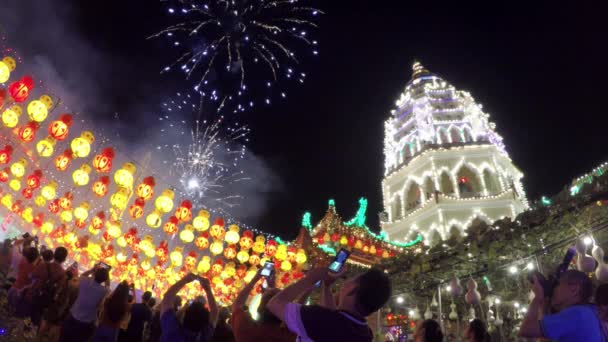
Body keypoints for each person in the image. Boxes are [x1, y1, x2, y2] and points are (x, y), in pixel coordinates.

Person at [267, 267, 392, 342]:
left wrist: (310, 279)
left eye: (351, 280)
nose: (345, 284)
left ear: (353, 289)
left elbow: (274, 303)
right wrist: (326, 286)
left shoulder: (319, 318)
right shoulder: (365, 333)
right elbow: (334, 319)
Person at [519, 269, 603, 341]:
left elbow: (526, 329)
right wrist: (544, 301)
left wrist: (537, 298)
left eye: (557, 284)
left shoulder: (576, 314)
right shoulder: (588, 311)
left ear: (574, 289)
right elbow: (545, 337)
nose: (553, 289)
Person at [231, 269, 295, 342]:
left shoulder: (247, 330)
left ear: (260, 307)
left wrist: (255, 279)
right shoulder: (288, 336)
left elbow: (237, 305)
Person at [160, 272, 218, 342]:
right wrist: (208, 290)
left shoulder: (172, 331)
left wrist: (185, 280)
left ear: (184, 316)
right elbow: (215, 312)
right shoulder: (203, 337)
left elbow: (167, 298)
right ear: (206, 323)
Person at [59, 265, 110, 342]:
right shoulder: (104, 291)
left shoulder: (85, 281)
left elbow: (82, 275)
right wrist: (107, 276)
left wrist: (92, 270)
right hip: (86, 323)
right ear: (104, 279)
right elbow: (108, 285)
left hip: (73, 316)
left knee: (64, 338)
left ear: (95, 274)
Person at [29, 246, 67, 325]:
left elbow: (31, 276)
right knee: (36, 321)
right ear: (64, 259)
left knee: (27, 316)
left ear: (54, 254)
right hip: (45, 300)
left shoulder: (44, 265)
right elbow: (58, 290)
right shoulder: (62, 274)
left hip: (34, 294)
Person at [7, 246, 39, 315]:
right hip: (20, 291)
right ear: (36, 257)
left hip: (13, 287)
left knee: (7, 307)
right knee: (12, 311)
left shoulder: (22, 261)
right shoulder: (35, 269)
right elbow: (33, 283)